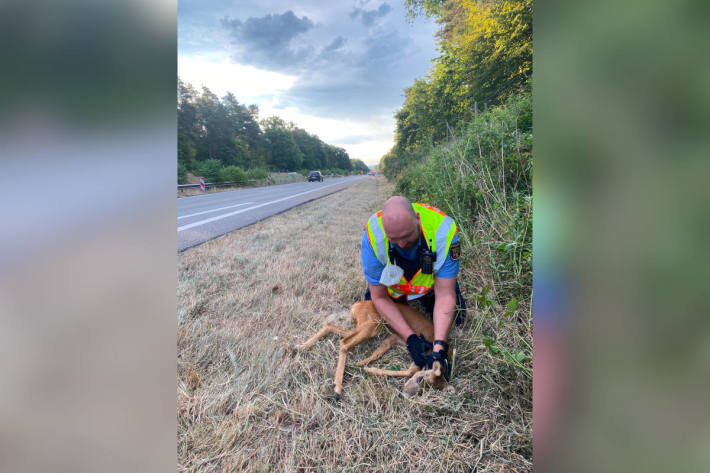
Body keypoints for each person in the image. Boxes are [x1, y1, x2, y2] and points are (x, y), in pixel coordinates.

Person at [360, 196, 466, 380]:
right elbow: (380, 297)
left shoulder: (443, 231)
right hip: (393, 289)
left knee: (458, 318)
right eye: (394, 239)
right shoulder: (373, 236)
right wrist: (411, 340)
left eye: (407, 237)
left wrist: (439, 348)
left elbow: (445, 294)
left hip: (431, 289)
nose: (401, 244)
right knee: (375, 313)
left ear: (417, 219)